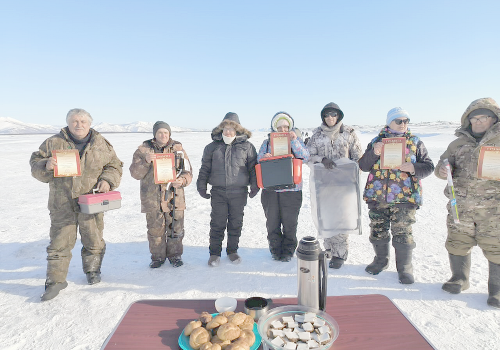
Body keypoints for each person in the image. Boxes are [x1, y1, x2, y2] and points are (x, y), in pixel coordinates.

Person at [30, 108, 123, 301]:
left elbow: (114, 165)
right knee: (59, 242)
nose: (79, 125)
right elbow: (35, 165)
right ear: (68, 123)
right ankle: (55, 281)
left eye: (83, 121)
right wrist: (45, 165)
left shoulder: (101, 143)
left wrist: (107, 180)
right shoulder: (53, 143)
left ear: (89, 124)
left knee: (93, 238)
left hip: (91, 200)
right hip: (62, 203)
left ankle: (92, 270)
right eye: (75, 121)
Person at [434, 97, 500, 308]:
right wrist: (443, 170)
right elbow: (440, 167)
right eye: (474, 118)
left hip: (494, 209)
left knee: (496, 246)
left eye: (484, 117)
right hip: (460, 206)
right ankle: (459, 279)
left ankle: (497, 289)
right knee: (457, 241)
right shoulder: (457, 143)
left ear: (494, 118)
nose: (479, 122)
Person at [358, 107, 434, 284]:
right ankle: (380, 261)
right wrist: (374, 152)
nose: (403, 124)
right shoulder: (378, 141)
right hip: (378, 196)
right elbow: (363, 165)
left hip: (404, 198)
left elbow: (429, 166)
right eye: (399, 121)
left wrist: (414, 168)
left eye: (406, 121)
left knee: (403, 232)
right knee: (378, 230)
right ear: (389, 122)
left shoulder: (415, 142)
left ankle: (405, 267)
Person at [197, 112, 259, 267]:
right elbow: (205, 168)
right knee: (217, 223)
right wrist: (201, 185)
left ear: (237, 130)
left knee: (235, 223)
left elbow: (253, 169)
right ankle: (214, 254)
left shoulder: (248, 147)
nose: (228, 132)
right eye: (226, 128)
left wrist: (255, 185)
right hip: (218, 192)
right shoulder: (212, 147)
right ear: (222, 129)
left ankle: (232, 251)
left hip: (239, 192)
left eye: (232, 129)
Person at [306, 102, 363, 269]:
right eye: (327, 115)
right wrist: (321, 160)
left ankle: (340, 254)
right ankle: (328, 249)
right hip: (323, 184)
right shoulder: (316, 135)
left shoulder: (349, 133)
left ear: (339, 116)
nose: (330, 118)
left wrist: (347, 170)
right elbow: (308, 155)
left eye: (333, 114)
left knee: (342, 218)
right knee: (326, 217)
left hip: (344, 185)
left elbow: (357, 157)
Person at [130, 121, 192, 269]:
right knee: (155, 230)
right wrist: (145, 161)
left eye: (166, 132)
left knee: (175, 228)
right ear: (155, 134)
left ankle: (175, 256)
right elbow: (135, 173)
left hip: (174, 196)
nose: (163, 135)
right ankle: (157, 257)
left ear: (169, 134)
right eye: (160, 133)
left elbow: (188, 171)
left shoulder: (178, 149)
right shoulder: (143, 150)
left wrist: (182, 180)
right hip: (152, 198)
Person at [257, 112, 310, 262]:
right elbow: (258, 159)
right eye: (279, 127)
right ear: (274, 128)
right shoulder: (267, 143)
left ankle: (288, 250)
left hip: (292, 190)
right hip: (271, 190)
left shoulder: (296, 140)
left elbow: (305, 157)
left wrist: (293, 141)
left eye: (286, 126)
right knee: (272, 222)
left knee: (290, 222)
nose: (283, 130)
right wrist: (264, 158)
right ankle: (275, 249)